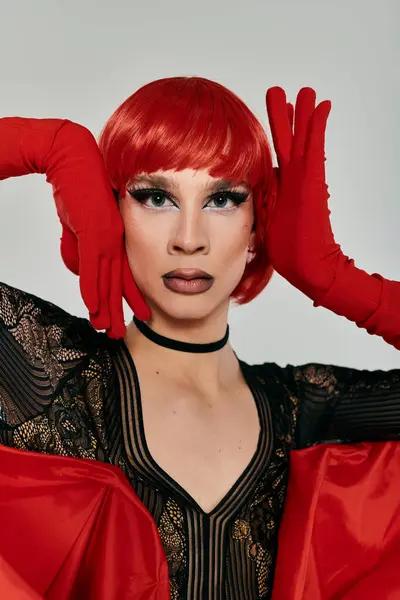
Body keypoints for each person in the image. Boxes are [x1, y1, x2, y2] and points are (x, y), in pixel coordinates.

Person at [0, 76, 399, 600]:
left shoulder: (303, 411)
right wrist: (46, 145)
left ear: (258, 227)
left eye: (223, 200)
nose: (189, 239)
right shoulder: (46, 372)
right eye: (156, 197)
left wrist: (339, 281)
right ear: (111, 207)